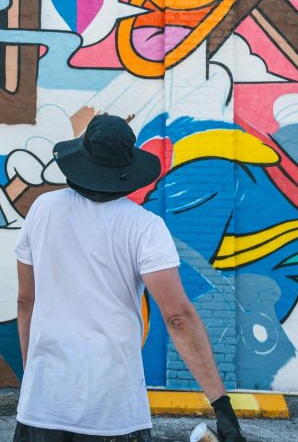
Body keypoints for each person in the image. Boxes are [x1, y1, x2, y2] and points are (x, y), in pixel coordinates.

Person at [13, 114, 246, 442]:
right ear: (125, 169)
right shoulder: (144, 227)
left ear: (81, 159)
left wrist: (33, 378)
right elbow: (177, 317)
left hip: (42, 405)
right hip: (114, 411)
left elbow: (26, 302)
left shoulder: (42, 210)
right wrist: (222, 407)